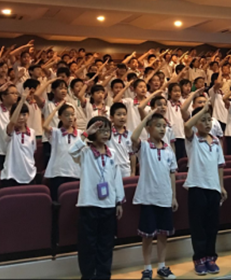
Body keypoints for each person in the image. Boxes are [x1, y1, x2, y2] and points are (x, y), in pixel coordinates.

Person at [69, 117, 124, 280]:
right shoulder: (85, 152)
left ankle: (103, 275)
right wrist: (86, 133)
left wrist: (119, 201)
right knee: (88, 244)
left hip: (108, 205)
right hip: (89, 204)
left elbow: (117, 178)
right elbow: (71, 151)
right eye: (101, 130)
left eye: (108, 130)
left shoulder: (112, 153)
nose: (105, 133)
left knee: (106, 244)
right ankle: (88, 275)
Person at [131, 112, 178, 280]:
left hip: (164, 197)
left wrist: (173, 196)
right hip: (148, 198)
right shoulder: (143, 146)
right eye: (158, 126)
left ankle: (162, 266)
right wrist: (146, 118)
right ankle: (147, 268)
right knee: (148, 236)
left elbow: (172, 174)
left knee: (163, 235)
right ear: (149, 128)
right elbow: (133, 137)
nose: (162, 129)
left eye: (164, 126)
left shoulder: (168, 150)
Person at [183, 103, 227, 275]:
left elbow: (220, 165)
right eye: (203, 120)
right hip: (197, 186)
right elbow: (187, 126)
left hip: (213, 188)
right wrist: (202, 109)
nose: (207, 123)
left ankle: (210, 257)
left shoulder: (215, 142)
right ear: (196, 123)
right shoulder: (192, 139)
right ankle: (199, 258)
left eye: (209, 120)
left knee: (212, 225)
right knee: (198, 225)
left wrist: (221, 186)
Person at [43, 102, 82, 201]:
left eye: (72, 115)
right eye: (67, 115)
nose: (70, 117)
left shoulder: (80, 134)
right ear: (60, 117)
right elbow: (45, 125)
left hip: (75, 172)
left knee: (73, 201)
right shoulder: (56, 133)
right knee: (57, 201)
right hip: (58, 173)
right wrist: (56, 109)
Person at [1, 90, 36, 187]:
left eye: (24, 114)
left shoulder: (32, 132)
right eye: (18, 115)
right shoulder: (10, 131)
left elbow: (32, 152)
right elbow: (12, 122)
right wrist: (22, 101)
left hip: (29, 174)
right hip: (11, 175)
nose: (21, 118)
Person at [107, 102, 135, 178]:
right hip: (111, 168)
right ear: (111, 117)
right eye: (118, 114)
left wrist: (133, 172)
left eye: (124, 114)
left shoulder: (130, 134)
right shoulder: (108, 133)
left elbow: (132, 154)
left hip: (126, 170)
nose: (122, 117)